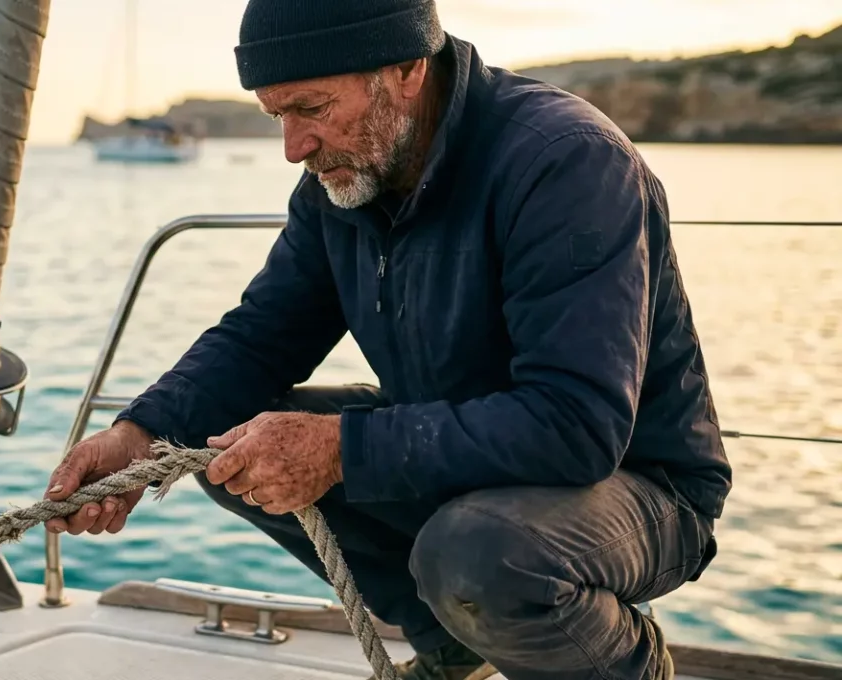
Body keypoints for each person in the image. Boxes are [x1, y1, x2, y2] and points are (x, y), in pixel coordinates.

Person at [44, 1, 732, 678]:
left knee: (475, 553)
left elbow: (577, 427)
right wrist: (139, 434)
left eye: (311, 109)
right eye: (276, 115)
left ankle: (630, 669)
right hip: (473, 468)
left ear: (406, 68)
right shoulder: (342, 180)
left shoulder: (566, 161)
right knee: (227, 439)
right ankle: (453, 649)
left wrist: (339, 450)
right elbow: (260, 338)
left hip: (640, 485)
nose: (293, 148)